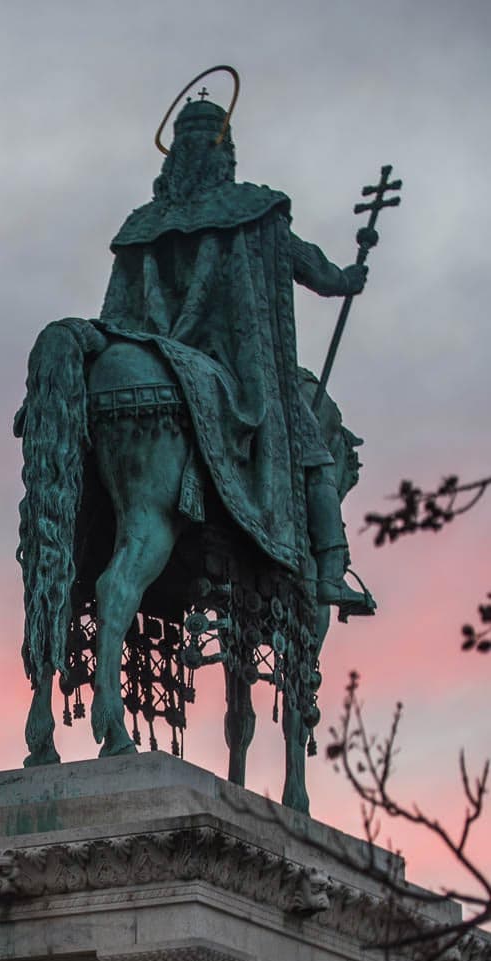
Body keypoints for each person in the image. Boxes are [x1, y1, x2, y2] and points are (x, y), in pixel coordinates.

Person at [97, 93, 373, 618]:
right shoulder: (252, 207)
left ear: (174, 155)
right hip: (236, 367)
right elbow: (313, 268)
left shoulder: (141, 225)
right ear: (223, 154)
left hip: (154, 354)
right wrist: (347, 279)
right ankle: (331, 574)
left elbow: (117, 310)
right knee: (313, 454)